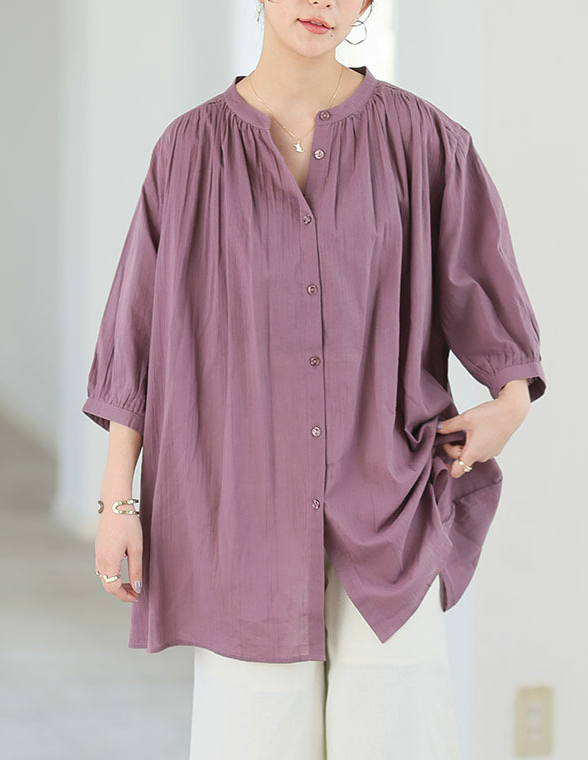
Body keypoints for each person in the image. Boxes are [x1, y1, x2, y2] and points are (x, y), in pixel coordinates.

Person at [83, 1, 547, 757]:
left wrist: (511, 407)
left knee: (396, 738)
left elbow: (490, 306)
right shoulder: (189, 153)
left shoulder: (423, 141)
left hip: (389, 513)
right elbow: (135, 337)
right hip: (240, 517)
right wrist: (117, 501)